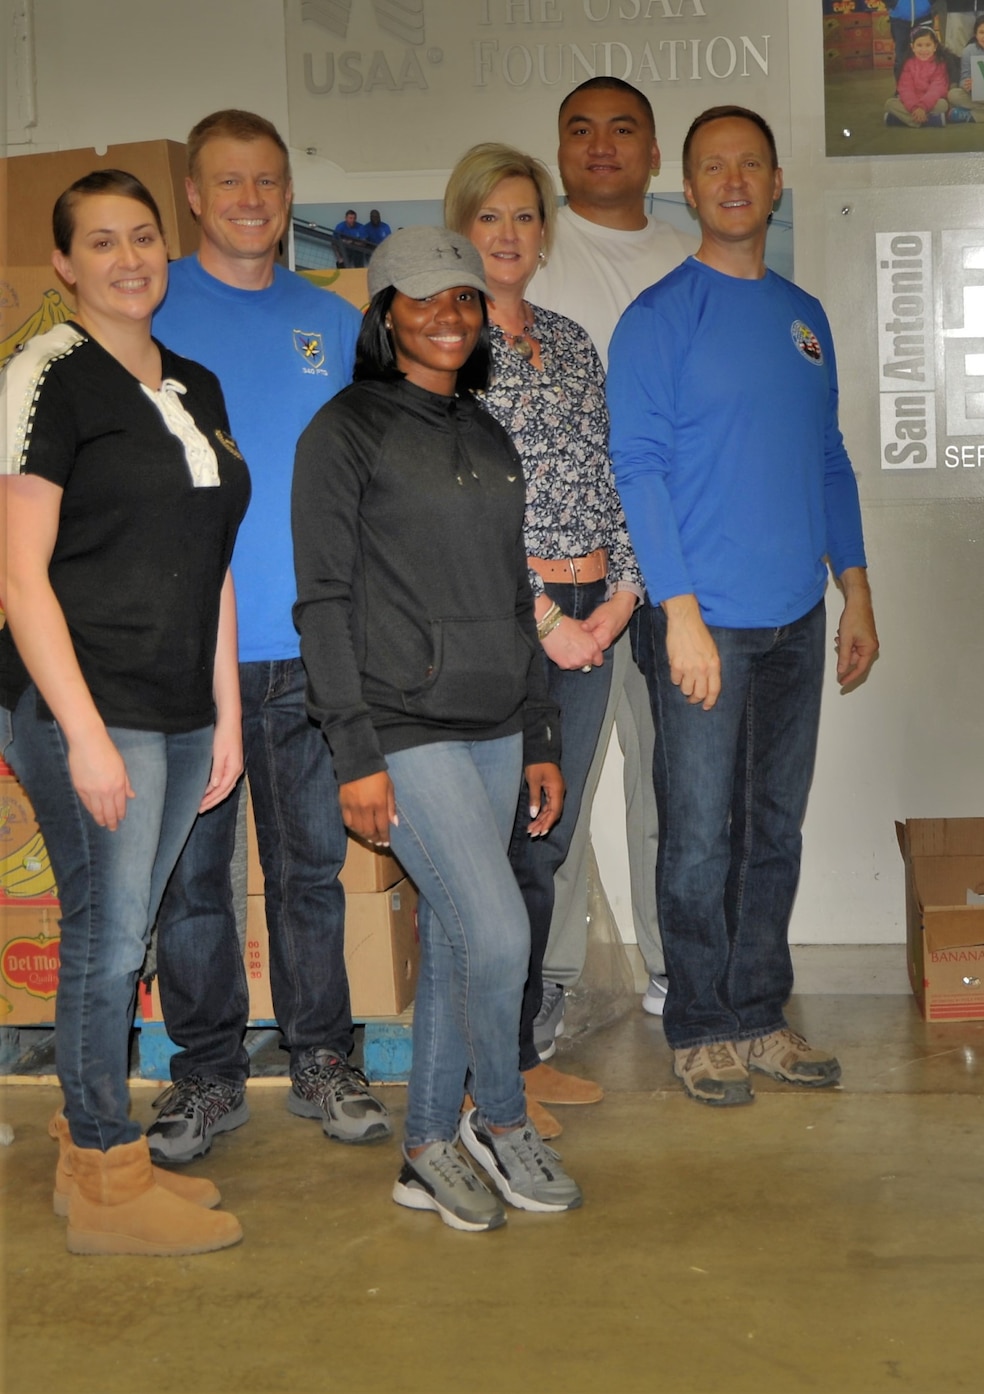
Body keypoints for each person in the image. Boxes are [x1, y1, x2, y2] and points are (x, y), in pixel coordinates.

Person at [293, 229, 579, 1231]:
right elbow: (322, 604)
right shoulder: (345, 431)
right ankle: (496, 1118)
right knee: (501, 931)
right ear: (384, 313)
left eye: (462, 297)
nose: (448, 315)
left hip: (497, 718)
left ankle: (424, 1147)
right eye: (423, 299)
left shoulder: (484, 431)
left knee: (467, 938)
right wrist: (353, 750)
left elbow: (514, 593)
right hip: (401, 722)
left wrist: (540, 726)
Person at [608, 106, 879, 1106]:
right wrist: (676, 612)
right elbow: (634, 468)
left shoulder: (802, 318)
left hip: (793, 619)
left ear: (773, 186)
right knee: (699, 833)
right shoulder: (657, 319)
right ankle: (701, 1024)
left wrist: (854, 586)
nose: (731, 180)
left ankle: (759, 1013)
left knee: (773, 828)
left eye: (749, 165)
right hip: (701, 620)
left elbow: (827, 458)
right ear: (687, 189)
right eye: (711, 166)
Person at [1, 169, 249, 1256]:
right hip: (84, 706)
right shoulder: (45, 374)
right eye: (99, 242)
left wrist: (226, 715)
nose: (127, 258)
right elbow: (17, 575)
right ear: (65, 265)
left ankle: (88, 1145)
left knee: (124, 936)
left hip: (180, 704)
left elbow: (216, 565)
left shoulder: (193, 382)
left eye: (142, 235)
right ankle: (104, 1173)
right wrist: (87, 735)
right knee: (105, 945)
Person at [144, 109, 383, 1167]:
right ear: (192, 195)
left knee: (308, 871)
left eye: (269, 182)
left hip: (310, 646)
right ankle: (203, 1073)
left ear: (290, 195)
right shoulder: (147, 309)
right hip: (187, 650)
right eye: (228, 182)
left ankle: (323, 1053)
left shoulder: (332, 319)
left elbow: (369, 478)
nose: (251, 199)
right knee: (192, 883)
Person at [446, 142, 645, 1130]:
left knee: (548, 845)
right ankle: (491, 1074)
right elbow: (450, 508)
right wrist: (544, 622)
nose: (510, 234)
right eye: (490, 218)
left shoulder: (568, 340)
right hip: (509, 628)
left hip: (593, 615)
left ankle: (520, 1053)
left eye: (524, 215)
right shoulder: (442, 346)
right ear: (461, 229)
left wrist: (622, 596)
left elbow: (609, 473)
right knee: (502, 849)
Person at [532, 75, 693, 1023]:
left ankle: (674, 968)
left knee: (670, 784)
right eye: (580, 129)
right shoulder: (529, 257)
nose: (601, 145)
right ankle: (548, 980)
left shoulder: (687, 259)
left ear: (654, 151)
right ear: (558, 148)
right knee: (555, 788)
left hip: (670, 568)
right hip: (570, 582)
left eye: (623, 129)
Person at [886, 27, 951, 128]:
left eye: (928, 45)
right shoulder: (908, 64)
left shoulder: (940, 64)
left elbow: (937, 89)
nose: (924, 50)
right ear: (913, 47)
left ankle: (902, 120)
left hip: (930, 103)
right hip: (911, 103)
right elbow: (905, 88)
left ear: (935, 47)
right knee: (890, 103)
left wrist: (923, 107)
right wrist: (915, 108)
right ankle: (928, 121)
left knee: (943, 105)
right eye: (919, 45)